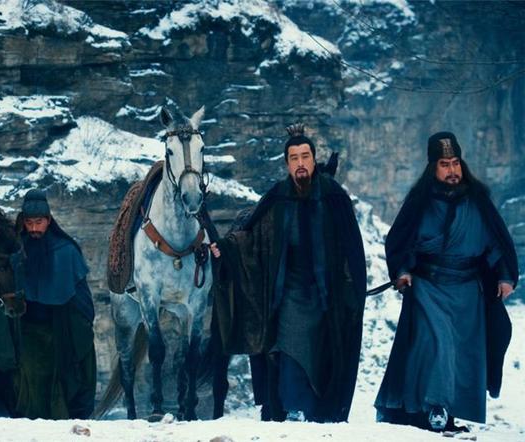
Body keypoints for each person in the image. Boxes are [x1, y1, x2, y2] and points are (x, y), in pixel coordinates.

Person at [210, 125, 367, 422]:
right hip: (288, 290)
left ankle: (316, 415)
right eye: (294, 158)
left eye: (305, 156)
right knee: (289, 346)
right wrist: (226, 249)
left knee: (325, 355)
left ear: (314, 160)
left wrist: (350, 290)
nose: (300, 163)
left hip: (327, 296)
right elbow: (252, 236)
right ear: (287, 164)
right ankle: (291, 409)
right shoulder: (278, 197)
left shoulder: (333, 197)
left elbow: (350, 249)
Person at [375, 131, 518, 432]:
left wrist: (505, 276)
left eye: (455, 163)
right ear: (433, 167)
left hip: (468, 292)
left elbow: (496, 243)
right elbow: (402, 241)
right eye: (444, 164)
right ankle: (434, 410)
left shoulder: (478, 201)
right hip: (429, 287)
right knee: (435, 345)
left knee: (462, 356)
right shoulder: (419, 202)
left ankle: (447, 414)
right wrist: (403, 272)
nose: (452, 170)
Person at [14, 189, 97, 419]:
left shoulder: (66, 250)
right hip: (27, 332)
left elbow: (82, 300)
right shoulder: (15, 252)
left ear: (48, 221)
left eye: (38, 222)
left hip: (59, 330)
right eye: (29, 223)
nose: (33, 228)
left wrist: (81, 327)